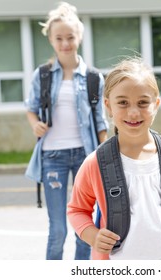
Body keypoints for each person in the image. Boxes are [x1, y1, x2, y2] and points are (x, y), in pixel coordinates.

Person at [67, 57, 161, 260]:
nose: (133, 112)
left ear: (156, 104)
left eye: (142, 103)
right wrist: (92, 235)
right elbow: (77, 209)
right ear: (108, 106)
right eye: (122, 102)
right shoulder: (95, 163)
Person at [24, 2, 109, 260]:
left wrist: (104, 155)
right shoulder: (43, 75)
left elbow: (100, 120)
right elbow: (31, 108)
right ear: (51, 40)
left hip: (85, 156)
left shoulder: (94, 77)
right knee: (58, 228)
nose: (65, 43)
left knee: (84, 226)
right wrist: (34, 123)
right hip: (53, 156)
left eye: (70, 37)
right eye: (59, 38)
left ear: (79, 37)